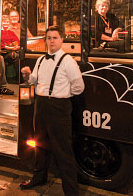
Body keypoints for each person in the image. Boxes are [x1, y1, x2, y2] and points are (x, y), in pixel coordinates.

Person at [20, 25, 84, 195]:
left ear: (61, 39)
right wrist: (27, 75)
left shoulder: (68, 61)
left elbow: (79, 87)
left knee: (63, 150)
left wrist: (62, 95)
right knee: (39, 145)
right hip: (41, 106)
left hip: (59, 107)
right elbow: (33, 81)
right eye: (48, 38)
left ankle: (71, 191)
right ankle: (39, 177)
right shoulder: (41, 60)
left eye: (55, 37)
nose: (51, 41)